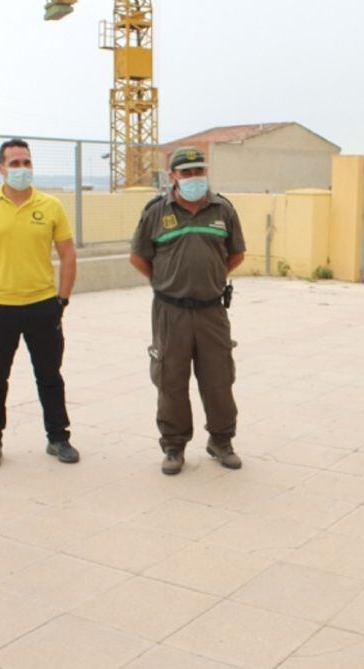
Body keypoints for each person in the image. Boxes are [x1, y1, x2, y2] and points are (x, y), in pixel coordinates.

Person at [0, 138, 78, 470]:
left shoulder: (51, 206)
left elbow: (68, 253)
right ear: (0, 169)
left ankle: (59, 437)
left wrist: (62, 299)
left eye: (26, 163)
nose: (21, 169)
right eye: (14, 163)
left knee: (50, 375)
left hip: (43, 306)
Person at [129, 146, 245, 475]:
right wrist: (165, 282)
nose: (194, 177)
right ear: (173, 176)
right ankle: (174, 446)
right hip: (170, 312)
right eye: (187, 172)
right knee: (171, 380)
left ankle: (221, 442)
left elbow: (236, 254)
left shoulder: (223, 209)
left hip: (212, 311)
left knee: (219, 379)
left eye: (199, 171)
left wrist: (211, 277)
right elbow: (139, 257)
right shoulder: (156, 212)